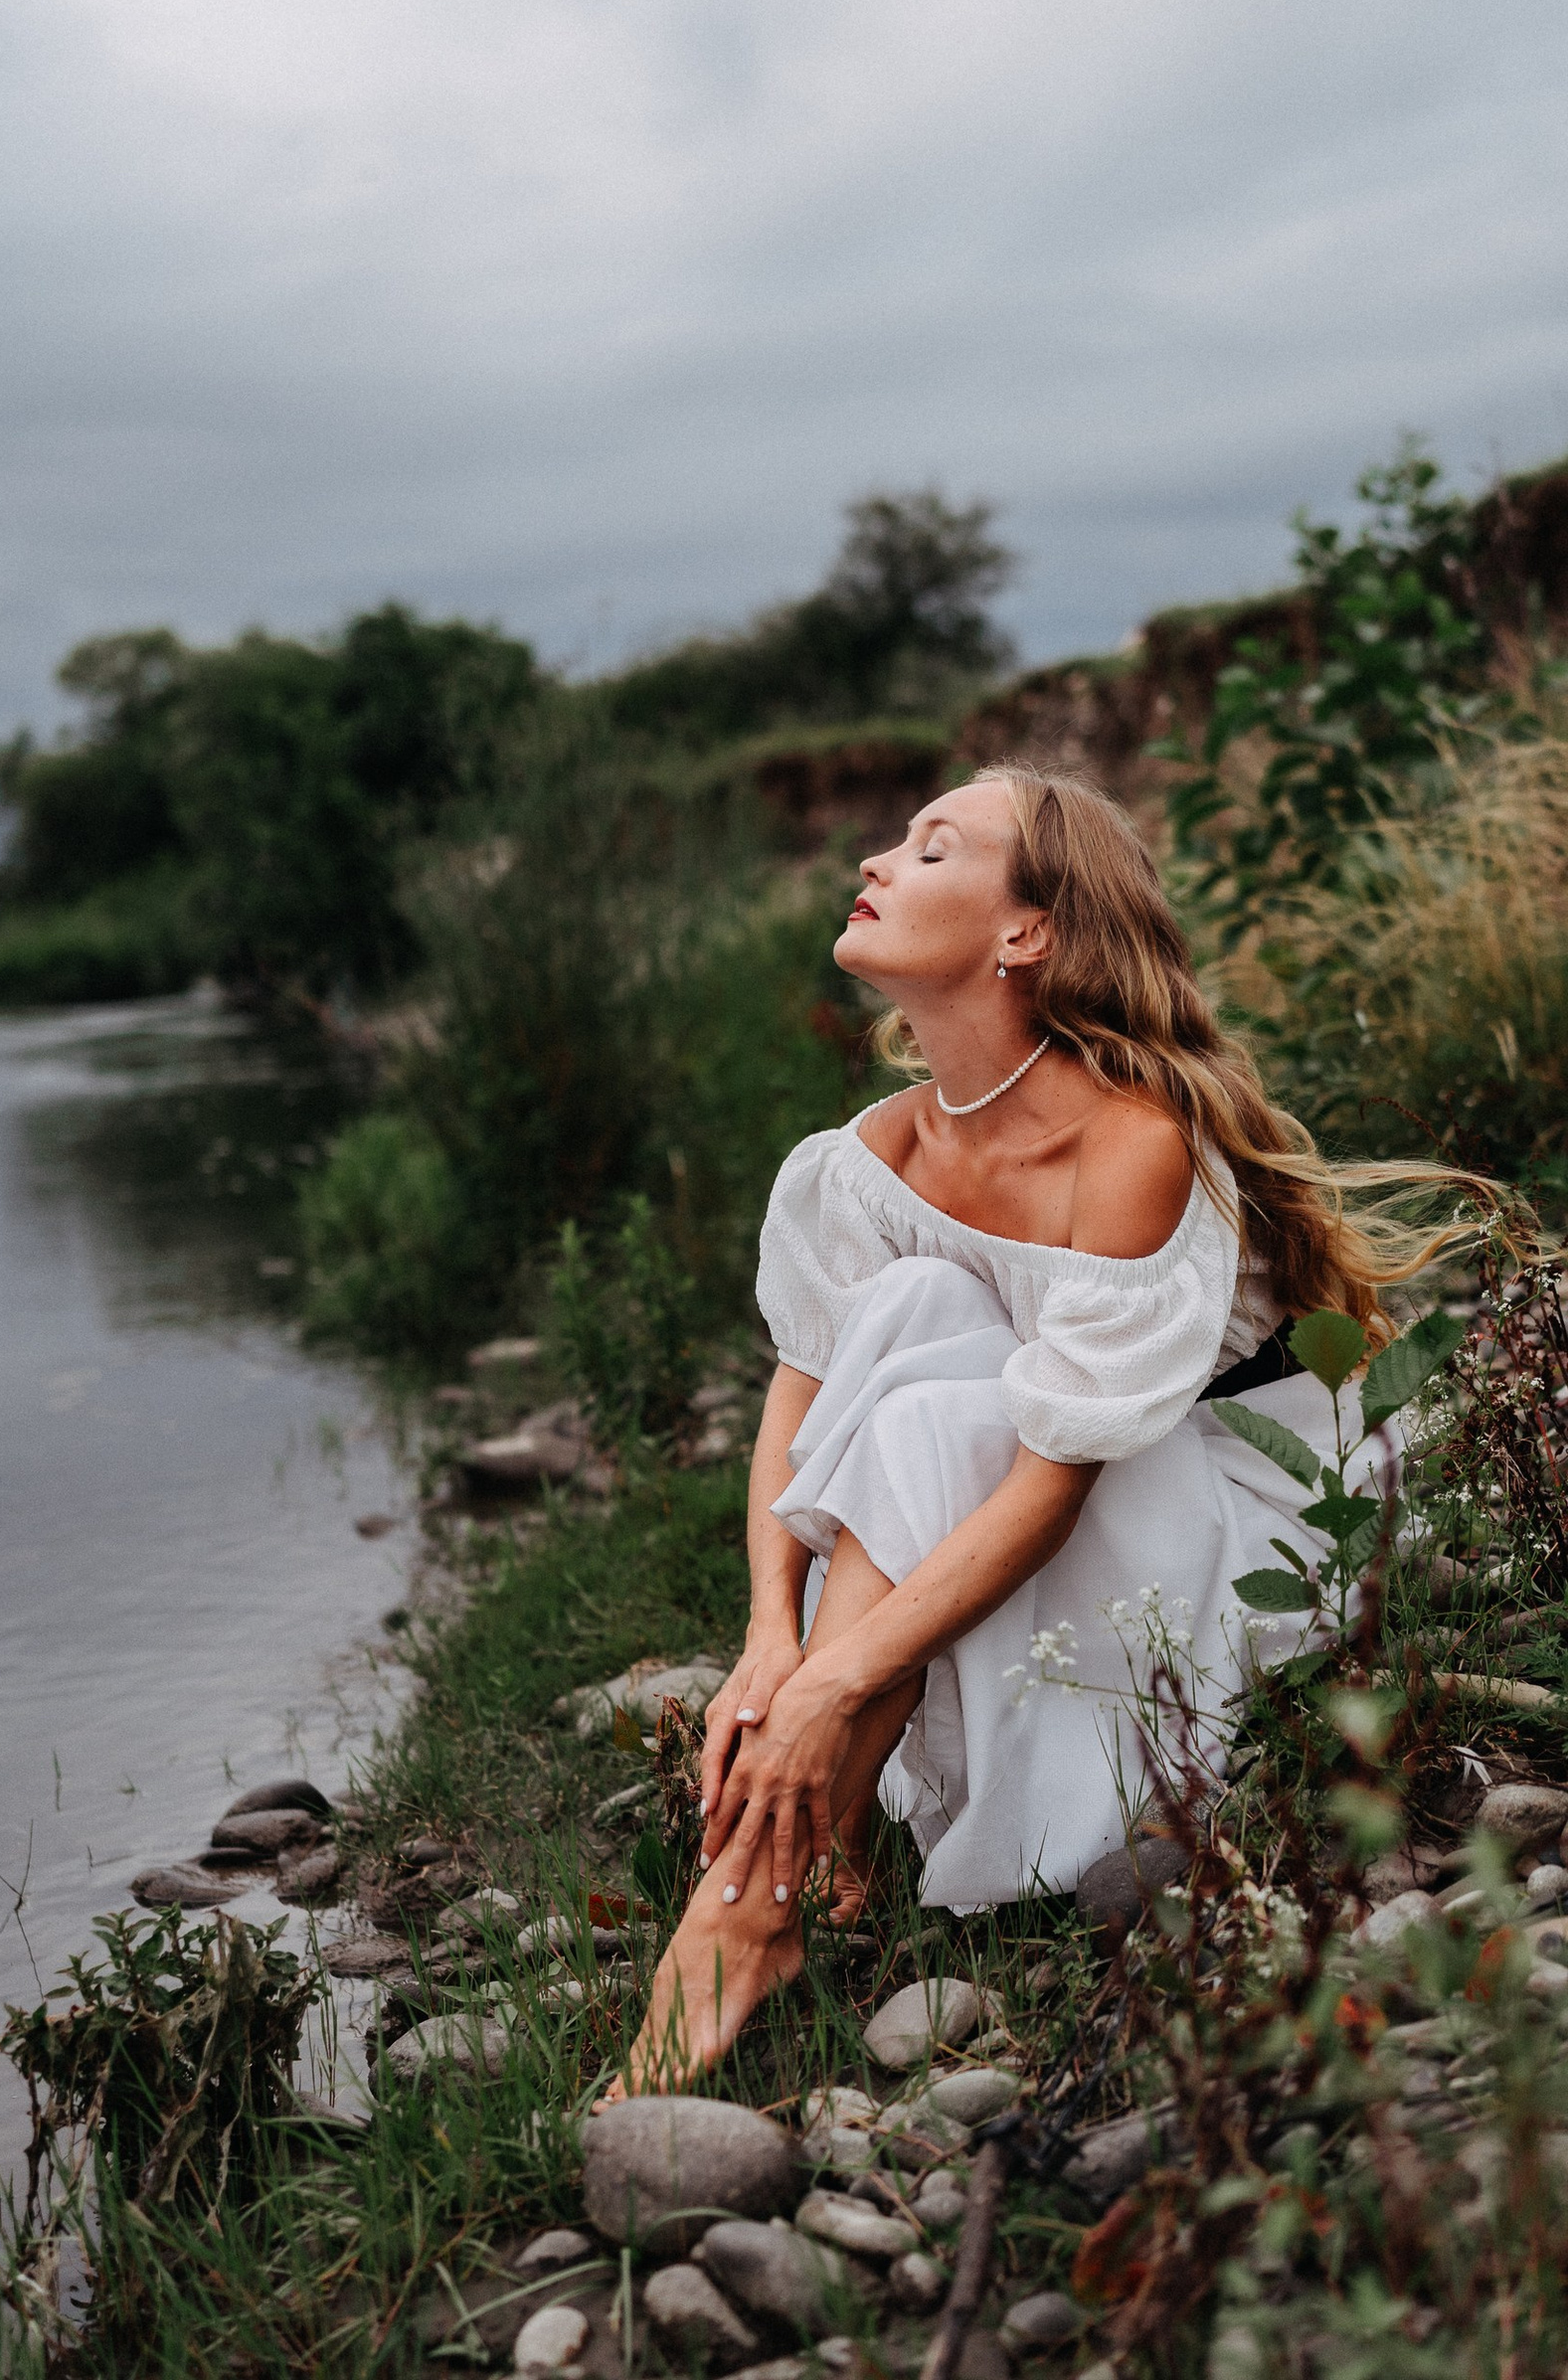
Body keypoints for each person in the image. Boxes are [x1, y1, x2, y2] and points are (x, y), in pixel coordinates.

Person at [608, 762, 1480, 2097]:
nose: (879, 861)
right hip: (996, 1497)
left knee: (944, 1403)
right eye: (898, 841)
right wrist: (772, 1641)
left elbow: (1049, 1485)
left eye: (933, 848)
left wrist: (828, 1685)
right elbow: (805, 1396)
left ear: (1026, 932)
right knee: (914, 1311)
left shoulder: (1128, 1143)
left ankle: (745, 1913)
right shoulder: (867, 1162)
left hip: (1223, 1505)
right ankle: (802, 1858)